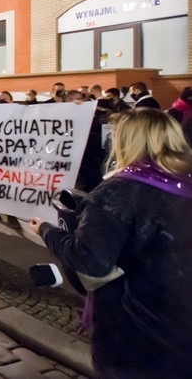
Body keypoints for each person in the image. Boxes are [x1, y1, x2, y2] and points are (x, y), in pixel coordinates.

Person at [29, 109, 192, 377]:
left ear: (130, 141)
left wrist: (46, 231)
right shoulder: (183, 182)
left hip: (137, 331)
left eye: (116, 136)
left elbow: (89, 260)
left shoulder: (117, 192)